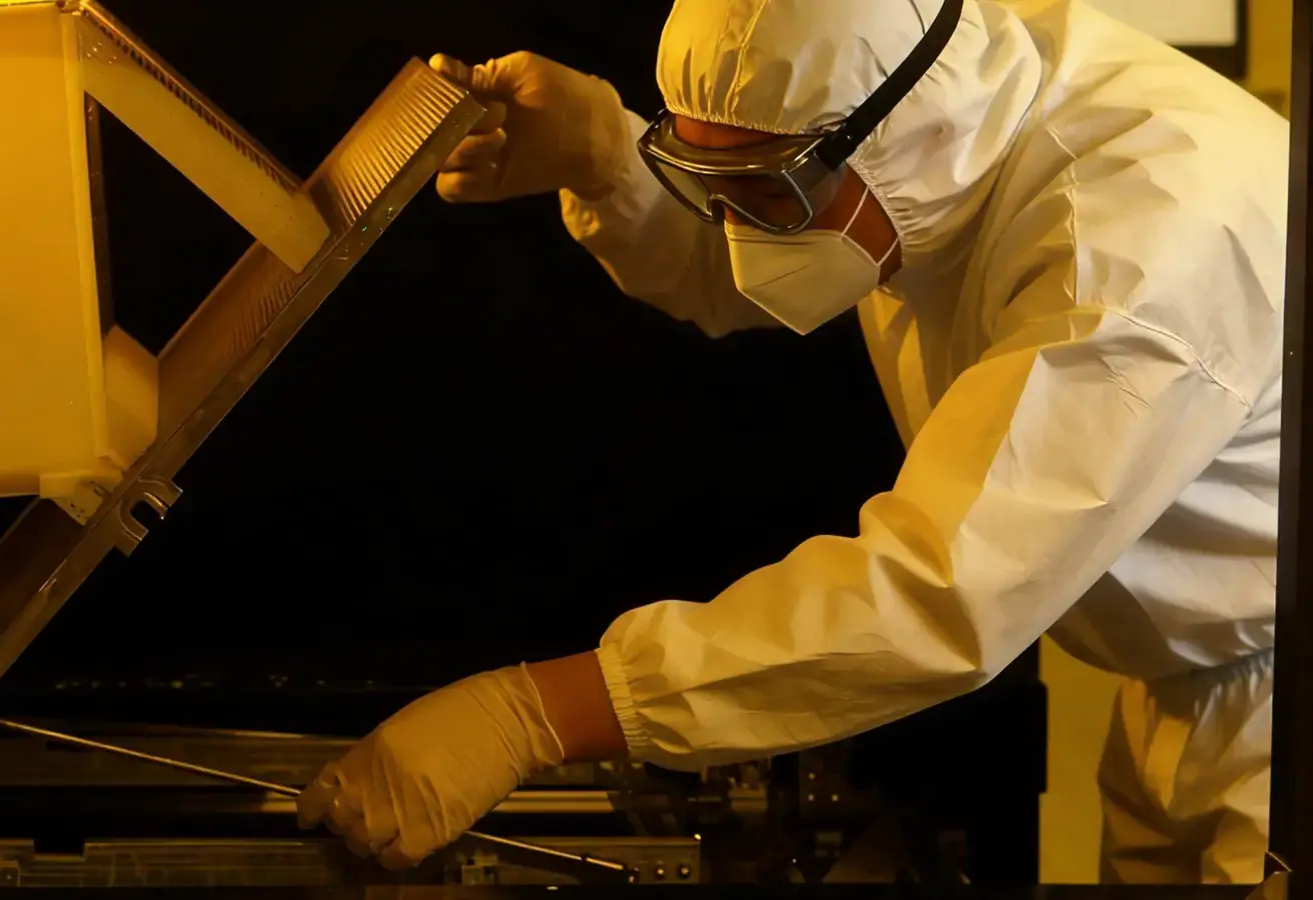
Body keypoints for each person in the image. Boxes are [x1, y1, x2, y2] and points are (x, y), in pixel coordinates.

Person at [295, 0, 1286, 884]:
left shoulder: (1142, 243)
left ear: (901, 140)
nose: (735, 231)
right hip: (1187, 687)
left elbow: (939, 595)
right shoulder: (945, 103)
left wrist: (538, 714)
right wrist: (610, 154)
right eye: (702, 179)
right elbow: (780, 250)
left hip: (1282, 711)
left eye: (757, 190)